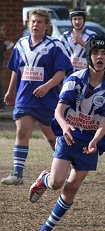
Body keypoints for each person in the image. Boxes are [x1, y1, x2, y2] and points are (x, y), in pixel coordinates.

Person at [28, 36, 105, 231]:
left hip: (90, 142)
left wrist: (95, 140)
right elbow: (59, 111)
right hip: (68, 135)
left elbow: (104, 122)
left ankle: (47, 228)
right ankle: (44, 178)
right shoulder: (74, 79)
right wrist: (65, 126)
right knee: (56, 183)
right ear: (89, 57)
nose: (100, 57)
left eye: (104, 53)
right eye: (95, 53)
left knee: (72, 188)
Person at [1, 9, 72, 185]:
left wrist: (47, 86)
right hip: (25, 98)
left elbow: (61, 72)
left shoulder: (55, 45)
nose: (35, 25)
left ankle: (67, 168)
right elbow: (16, 70)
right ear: (28, 24)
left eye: (40, 22)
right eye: (33, 21)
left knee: (51, 137)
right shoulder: (21, 44)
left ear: (46, 26)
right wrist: (11, 91)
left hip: (47, 99)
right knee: (22, 131)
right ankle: (17, 174)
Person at [60, 8, 96, 72]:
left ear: (84, 20)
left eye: (80, 19)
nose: (77, 22)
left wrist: (84, 44)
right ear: (71, 20)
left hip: (87, 74)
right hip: (68, 75)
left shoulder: (92, 36)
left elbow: (98, 53)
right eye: (74, 19)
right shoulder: (64, 37)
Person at [0, 23, 14, 112]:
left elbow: (11, 44)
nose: (3, 32)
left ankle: (1, 106)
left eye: (4, 30)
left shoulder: (3, 43)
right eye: (2, 30)